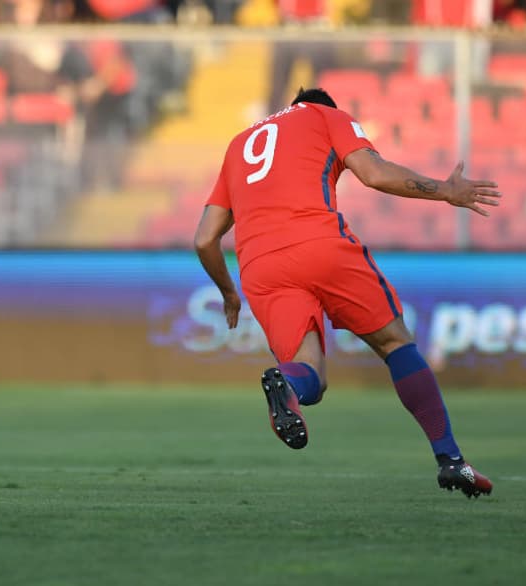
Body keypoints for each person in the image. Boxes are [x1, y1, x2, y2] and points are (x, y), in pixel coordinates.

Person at [194, 87, 501, 498]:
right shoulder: (326, 116)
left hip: (260, 267)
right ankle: (450, 459)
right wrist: (446, 191)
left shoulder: (239, 145)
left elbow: (204, 239)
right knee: (395, 342)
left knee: (311, 377)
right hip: (319, 244)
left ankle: (287, 385)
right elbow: (374, 173)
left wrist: (229, 294)